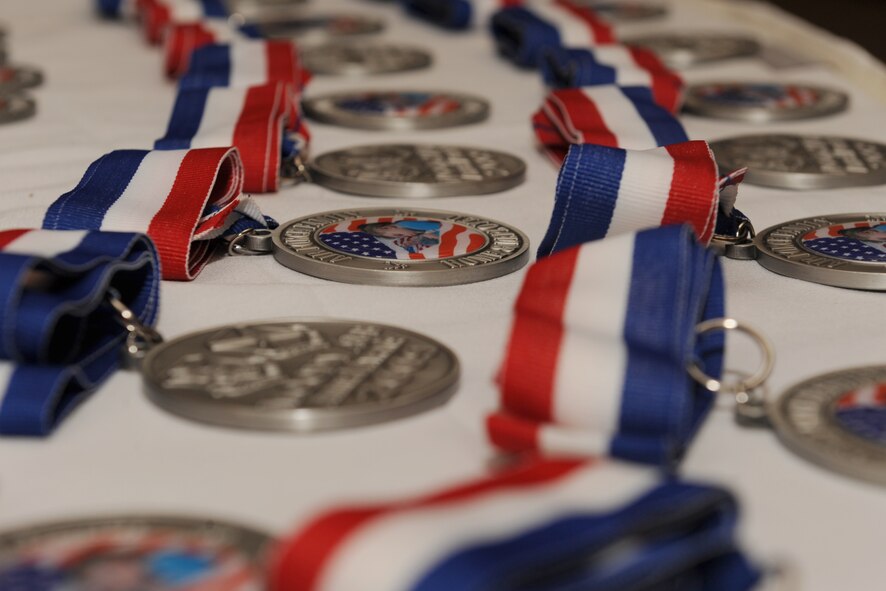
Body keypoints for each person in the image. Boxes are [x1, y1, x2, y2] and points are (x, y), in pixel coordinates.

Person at [359, 220, 441, 253]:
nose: (405, 235)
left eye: (398, 235)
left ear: (389, 227)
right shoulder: (413, 232)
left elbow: (438, 226)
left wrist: (428, 234)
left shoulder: (404, 224)